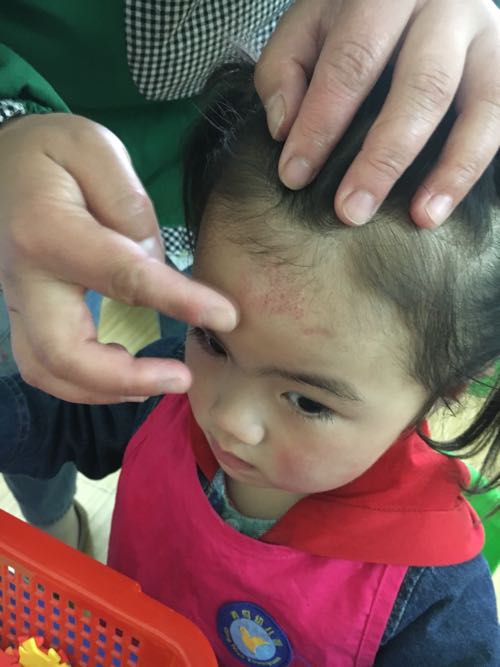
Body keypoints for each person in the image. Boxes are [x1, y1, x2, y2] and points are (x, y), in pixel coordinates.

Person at [0, 62, 499, 665]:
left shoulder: (434, 603)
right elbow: (46, 420)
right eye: (212, 342)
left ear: (445, 389)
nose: (228, 418)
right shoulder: (168, 393)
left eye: (308, 401)